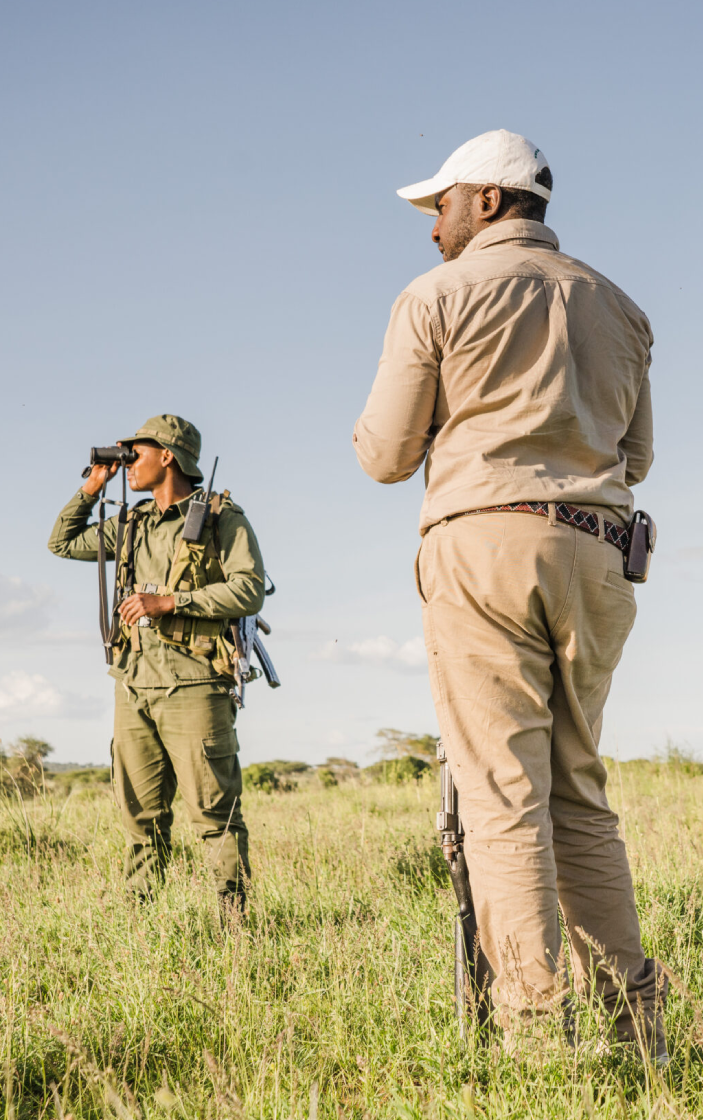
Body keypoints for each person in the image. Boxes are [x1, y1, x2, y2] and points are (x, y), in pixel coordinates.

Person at [354, 130, 667, 1060]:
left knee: (499, 799)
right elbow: (636, 460)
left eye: (440, 205)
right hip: (601, 553)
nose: (433, 226)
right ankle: (636, 1033)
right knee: (579, 792)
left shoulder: (437, 297)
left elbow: (383, 455)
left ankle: (536, 1037)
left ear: (488, 200)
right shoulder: (622, 306)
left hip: (486, 543)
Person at [49, 414, 265, 913]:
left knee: (214, 813)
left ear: (167, 456)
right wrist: (92, 485)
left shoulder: (219, 517)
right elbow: (61, 542)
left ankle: (234, 928)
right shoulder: (130, 522)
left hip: (194, 683)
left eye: (135, 454)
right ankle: (139, 926)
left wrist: (170, 602)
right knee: (139, 817)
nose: (126, 464)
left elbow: (249, 588)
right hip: (133, 684)